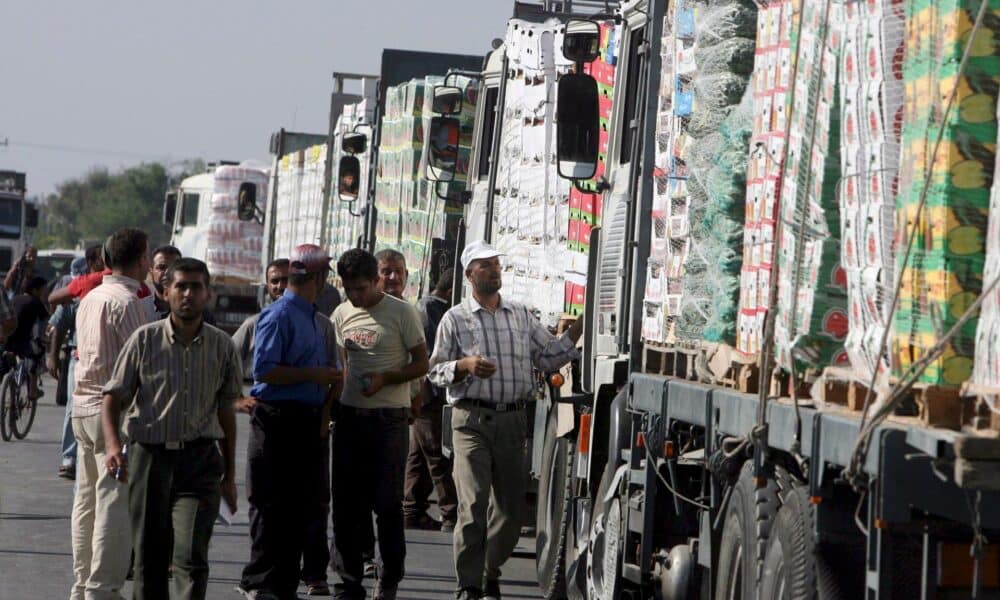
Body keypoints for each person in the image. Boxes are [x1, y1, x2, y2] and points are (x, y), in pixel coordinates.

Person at [428, 241, 583, 600]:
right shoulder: (456, 318)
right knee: (473, 505)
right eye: (486, 266)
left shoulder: (519, 314)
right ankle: (468, 585)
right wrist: (463, 367)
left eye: (497, 264)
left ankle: (488, 569)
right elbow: (434, 371)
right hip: (471, 421)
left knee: (511, 514)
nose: (495, 270)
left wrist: (577, 330)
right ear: (470, 275)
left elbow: (548, 357)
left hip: (513, 421)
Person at [101, 258, 243, 600]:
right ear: (166, 293)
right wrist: (112, 446)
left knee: (192, 556)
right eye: (181, 286)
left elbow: (226, 411)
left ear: (208, 294)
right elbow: (113, 397)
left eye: (196, 287)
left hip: (200, 461)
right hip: (149, 459)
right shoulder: (144, 340)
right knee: (150, 556)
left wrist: (229, 477)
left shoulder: (222, 346)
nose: (188, 294)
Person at [238, 244, 342, 600]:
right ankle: (259, 581)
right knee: (270, 503)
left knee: (302, 505)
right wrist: (314, 374)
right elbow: (264, 369)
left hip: (306, 421)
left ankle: (283, 583)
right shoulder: (279, 314)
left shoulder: (313, 317)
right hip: (277, 419)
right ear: (317, 278)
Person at [330, 248, 428, 600]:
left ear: (376, 282)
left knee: (386, 504)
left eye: (361, 289)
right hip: (350, 419)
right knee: (345, 503)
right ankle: (349, 578)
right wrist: (330, 410)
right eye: (349, 289)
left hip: (389, 421)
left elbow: (421, 364)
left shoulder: (403, 313)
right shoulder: (341, 314)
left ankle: (389, 577)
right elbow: (341, 367)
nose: (355, 296)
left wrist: (386, 378)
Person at [70, 228, 152, 600]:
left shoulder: (92, 296)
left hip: (82, 407)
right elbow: (144, 364)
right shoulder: (128, 300)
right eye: (148, 256)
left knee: (86, 502)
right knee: (114, 504)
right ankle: (102, 590)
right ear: (140, 260)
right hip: (113, 414)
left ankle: (82, 585)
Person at [404, 270, 458, 532]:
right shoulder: (430, 310)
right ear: (450, 291)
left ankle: (412, 510)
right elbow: (428, 357)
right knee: (438, 457)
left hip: (423, 393)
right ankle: (451, 515)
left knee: (418, 455)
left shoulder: (427, 308)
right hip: (428, 394)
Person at [50, 257, 89, 479]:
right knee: (74, 406)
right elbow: (59, 323)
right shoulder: (79, 288)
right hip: (78, 355)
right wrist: (52, 356)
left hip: (110, 358)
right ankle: (70, 456)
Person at [8, 275, 50, 399]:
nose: (45, 293)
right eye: (43, 290)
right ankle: (33, 389)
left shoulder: (14, 299)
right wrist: (45, 338)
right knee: (38, 353)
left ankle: (10, 388)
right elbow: (45, 323)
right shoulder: (36, 302)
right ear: (34, 290)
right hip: (23, 342)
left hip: (6, 340)